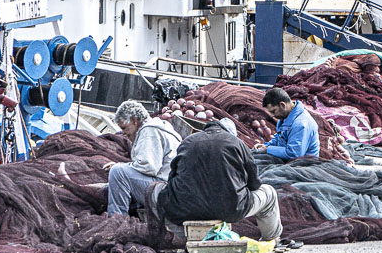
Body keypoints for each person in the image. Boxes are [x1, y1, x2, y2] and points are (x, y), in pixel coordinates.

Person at [151, 117, 284, 244]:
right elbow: (254, 183)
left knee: (155, 191)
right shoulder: (237, 143)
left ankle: (180, 237)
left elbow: (172, 176)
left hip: (186, 209)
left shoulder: (188, 142)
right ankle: (271, 239)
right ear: (231, 133)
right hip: (231, 209)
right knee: (269, 192)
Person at [106, 100, 182, 217]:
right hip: (170, 188)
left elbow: (149, 167)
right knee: (119, 173)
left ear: (134, 121)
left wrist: (121, 166)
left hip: (163, 191)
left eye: (124, 128)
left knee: (117, 172)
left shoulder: (149, 130)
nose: (123, 133)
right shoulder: (158, 127)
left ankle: (116, 219)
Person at [253, 88, 319, 160]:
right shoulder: (285, 117)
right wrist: (265, 146)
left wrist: (267, 149)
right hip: (290, 162)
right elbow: (279, 138)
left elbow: (294, 154)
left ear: (282, 105)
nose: (272, 115)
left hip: (304, 166)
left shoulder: (300, 124)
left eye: (273, 111)